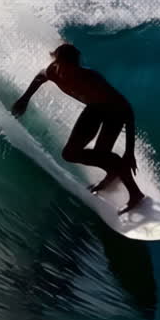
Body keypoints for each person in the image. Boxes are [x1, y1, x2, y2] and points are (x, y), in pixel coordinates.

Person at [12, 43, 146, 212]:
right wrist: (25, 99)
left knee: (102, 153)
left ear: (76, 65)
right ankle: (113, 172)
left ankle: (135, 194)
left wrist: (129, 151)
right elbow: (40, 77)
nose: (67, 72)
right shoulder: (54, 71)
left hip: (115, 112)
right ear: (57, 62)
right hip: (94, 109)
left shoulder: (91, 78)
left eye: (72, 67)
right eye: (63, 66)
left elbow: (126, 108)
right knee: (70, 153)